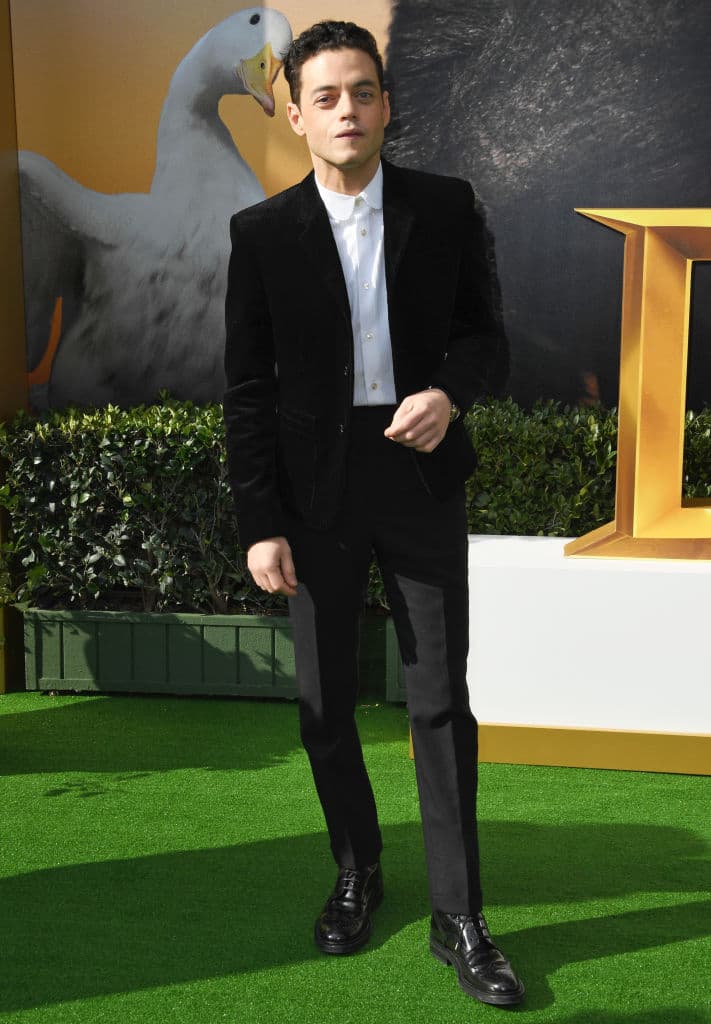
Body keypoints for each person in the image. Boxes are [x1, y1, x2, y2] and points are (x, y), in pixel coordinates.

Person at [223, 20, 525, 1008]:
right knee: (324, 705)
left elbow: (485, 338)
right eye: (325, 96)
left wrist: (448, 395)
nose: (345, 110)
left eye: (362, 91)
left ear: (386, 104)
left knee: (438, 700)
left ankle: (459, 915)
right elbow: (248, 391)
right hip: (313, 495)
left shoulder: (446, 205)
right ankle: (357, 871)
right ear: (296, 115)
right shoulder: (259, 234)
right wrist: (260, 522)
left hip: (418, 475)